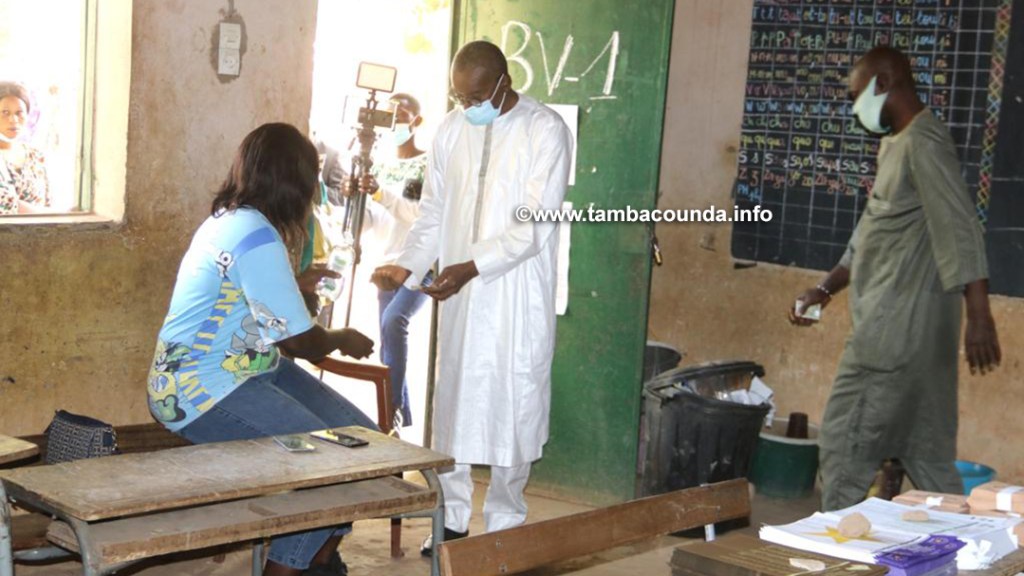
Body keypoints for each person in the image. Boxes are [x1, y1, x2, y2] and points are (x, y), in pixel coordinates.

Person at [148, 123, 376, 576]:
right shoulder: (254, 235)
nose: (315, 188)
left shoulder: (234, 220)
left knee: (364, 442)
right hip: (197, 389)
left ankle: (320, 561)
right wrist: (343, 338)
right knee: (325, 460)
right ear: (294, 181)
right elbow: (301, 343)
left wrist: (297, 286)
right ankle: (288, 569)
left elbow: (251, 298)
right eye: (311, 176)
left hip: (247, 369)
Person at [371, 40, 572, 552]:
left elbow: (533, 227)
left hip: (513, 293)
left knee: (514, 406)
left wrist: (470, 266)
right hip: (459, 298)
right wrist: (408, 263)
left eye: (477, 95)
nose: (468, 106)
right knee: (454, 410)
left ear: (504, 82)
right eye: (460, 97)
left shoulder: (545, 130)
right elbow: (433, 213)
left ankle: (504, 527)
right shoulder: (451, 130)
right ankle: (453, 520)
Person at [787, 46, 1001, 512]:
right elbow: (871, 232)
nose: (852, 107)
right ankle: (962, 550)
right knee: (928, 459)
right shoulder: (896, 143)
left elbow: (961, 226)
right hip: (921, 343)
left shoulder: (923, 143)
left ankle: (833, 549)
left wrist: (980, 317)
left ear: (882, 84)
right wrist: (824, 288)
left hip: (891, 334)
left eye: (854, 95)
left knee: (844, 445)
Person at [368, 92, 431, 429]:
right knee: (387, 339)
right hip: (385, 264)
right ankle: (395, 416)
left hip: (419, 262)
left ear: (416, 122)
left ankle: (389, 411)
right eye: (387, 115)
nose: (393, 122)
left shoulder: (425, 165)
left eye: (401, 115)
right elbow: (373, 222)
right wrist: (355, 197)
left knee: (395, 322)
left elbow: (413, 214)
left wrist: (379, 192)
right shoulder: (377, 164)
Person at [0, 81, 49, 214]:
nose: (13, 119)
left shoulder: (35, 156)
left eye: (19, 112)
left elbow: (47, 202)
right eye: (5, 112)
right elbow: (6, 204)